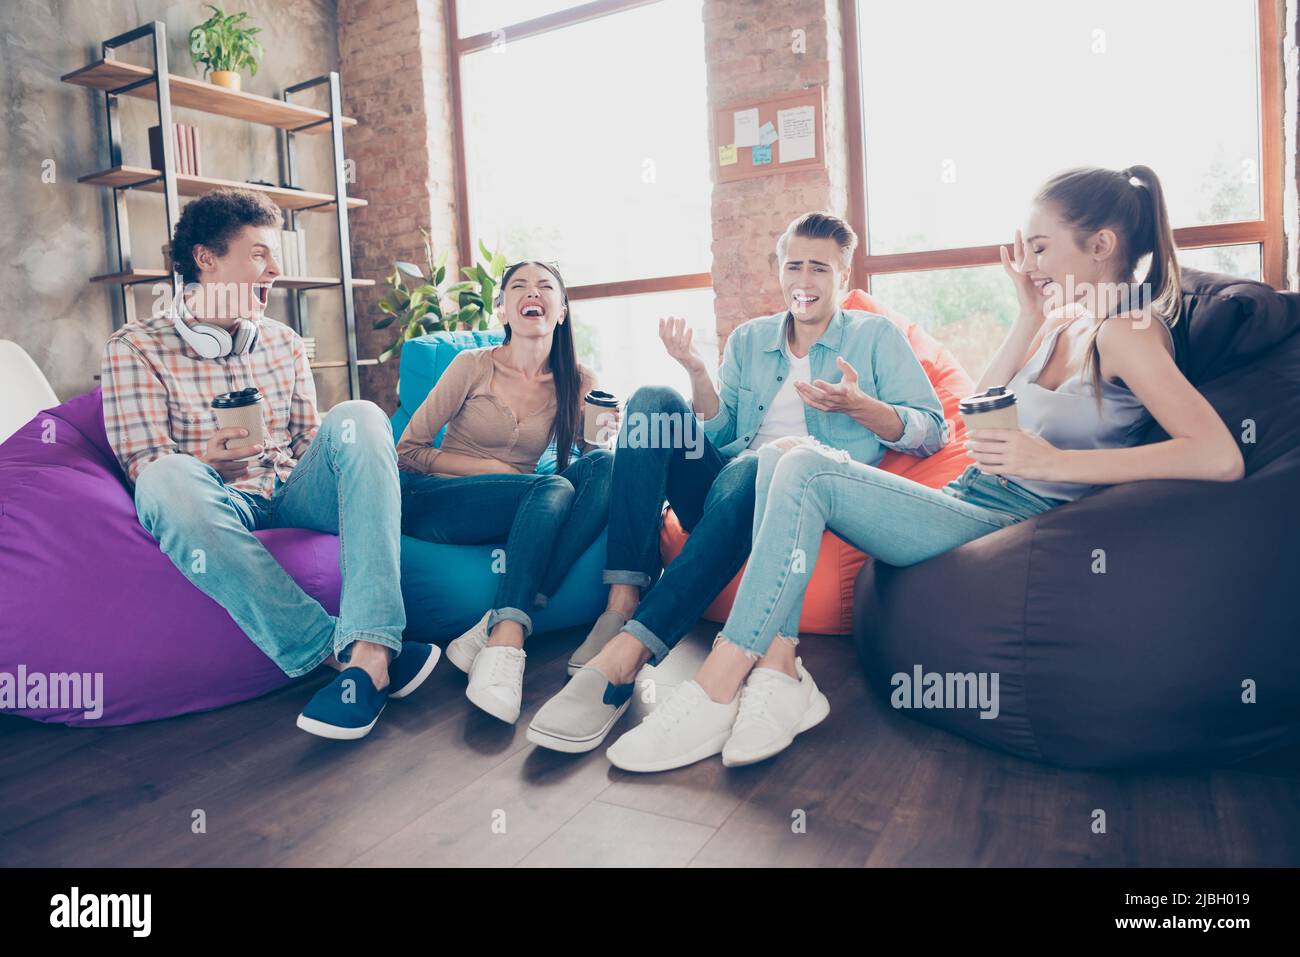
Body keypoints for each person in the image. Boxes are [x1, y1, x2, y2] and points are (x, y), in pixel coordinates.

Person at [605, 164, 1246, 773]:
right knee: (781, 454)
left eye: (1043, 248)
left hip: (1016, 517)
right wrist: (1026, 315)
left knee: (803, 466)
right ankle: (778, 669)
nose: (1030, 263)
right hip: (975, 494)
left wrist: (1056, 461)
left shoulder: (1128, 333)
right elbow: (976, 412)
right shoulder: (1064, 325)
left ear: (1101, 243)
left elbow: (1219, 455)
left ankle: (719, 683)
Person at [526, 211, 948, 754]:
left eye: (819, 268)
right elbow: (720, 431)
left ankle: (627, 658)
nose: (804, 280)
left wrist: (864, 409)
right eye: (793, 265)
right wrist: (698, 374)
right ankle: (622, 602)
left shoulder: (875, 337)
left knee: (761, 461)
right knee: (654, 401)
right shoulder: (751, 339)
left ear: (844, 276)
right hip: (727, 489)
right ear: (778, 270)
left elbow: (932, 431)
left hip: (797, 495)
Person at [102, 187, 438, 742]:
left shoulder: (282, 341)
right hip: (218, 500)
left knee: (358, 413)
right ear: (206, 259)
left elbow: (310, 438)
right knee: (167, 478)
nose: (276, 269)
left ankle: (374, 645)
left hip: (292, 492)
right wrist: (205, 462)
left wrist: (348, 458)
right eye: (259, 253)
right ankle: (340, 655)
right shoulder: (135, 347)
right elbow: (144, 461)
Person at [397, 261, 615, 725]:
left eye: (544, 286)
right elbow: (409, 451)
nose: (531, 291)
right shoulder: (471, 366)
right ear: (502, 311)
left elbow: (589, 459)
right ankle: (507, 643)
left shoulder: (578, 379)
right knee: (551, 487)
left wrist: (604, 435)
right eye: (518, 285)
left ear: (561, 311)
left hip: (527, 500)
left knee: (606, 467)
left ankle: (498, 620)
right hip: (440, 497)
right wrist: (491, 468)